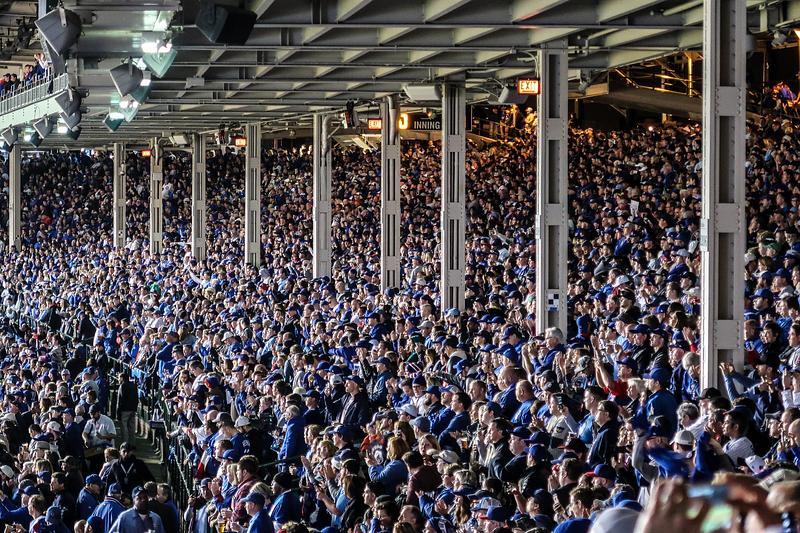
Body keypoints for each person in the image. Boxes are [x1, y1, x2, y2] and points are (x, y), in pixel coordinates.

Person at [116, 373, 138, 446]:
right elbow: (136, 398)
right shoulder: (133, 385)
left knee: (124, 428)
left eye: (119, 378)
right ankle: (132, 444)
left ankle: (125, 444)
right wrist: (135, 408)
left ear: (122, 378)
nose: (118, 379)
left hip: (124, 410)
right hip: (132, 409)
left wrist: (118, 412)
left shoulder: (122, 386)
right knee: (132, 428)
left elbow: (120, 400)